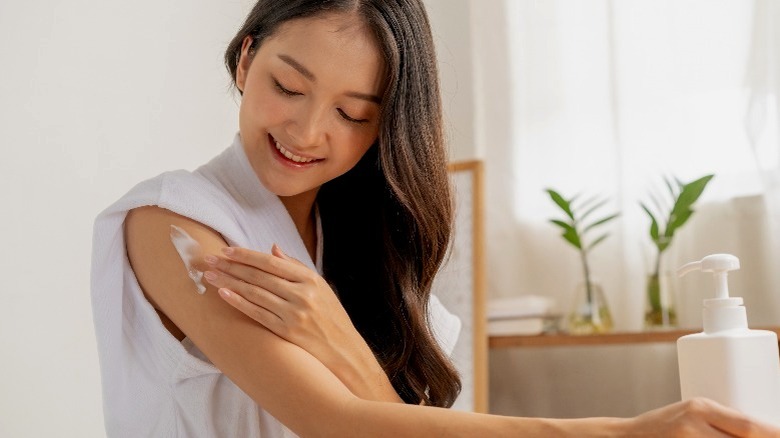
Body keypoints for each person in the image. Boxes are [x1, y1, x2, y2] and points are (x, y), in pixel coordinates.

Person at [91, 0, 780, 436]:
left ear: (386, 124)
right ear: (246, 59)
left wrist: (340, 340)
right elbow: (335, 422)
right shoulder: (172, 223)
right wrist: (626, 433)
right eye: (288, 86)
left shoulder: (369, 243)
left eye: (352, 114)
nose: (306, 132)